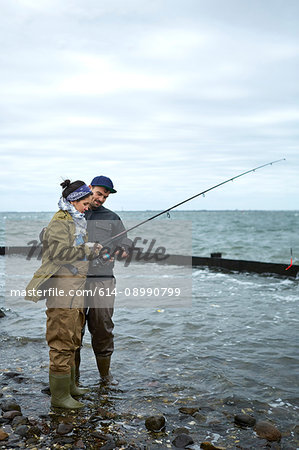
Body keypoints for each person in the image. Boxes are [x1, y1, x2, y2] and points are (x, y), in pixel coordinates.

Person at [25, 180, 101, 409]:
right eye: (85, 203)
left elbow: (76, 252)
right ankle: (59, 398)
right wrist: (86, 250)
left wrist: (92, 251)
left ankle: (69, 387)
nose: (88, 207)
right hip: (61, 290)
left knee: (73, 336)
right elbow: (58, 253)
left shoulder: (77, 220)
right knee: (60, 339)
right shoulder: (61, 221)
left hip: (75, 288)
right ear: (73, 200)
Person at [75, 175, 132, 384]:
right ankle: (74, 379)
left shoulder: (112, 217)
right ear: (90, 188)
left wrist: (125, 250)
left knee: (103, 328)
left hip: (103, 280)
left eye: (105, 196)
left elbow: (126, 241)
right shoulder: (74, 212)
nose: (101, 199)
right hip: (75, 280)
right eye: (99, 193)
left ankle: (105, 377)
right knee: (73, 330)